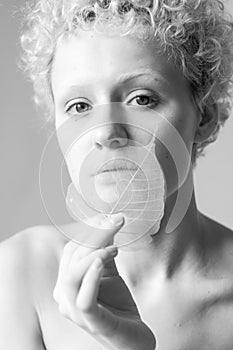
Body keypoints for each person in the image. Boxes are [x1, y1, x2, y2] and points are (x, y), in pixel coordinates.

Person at [1, 0, 233, 349]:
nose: (105, 132)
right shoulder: (19, 273)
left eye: (142, 99)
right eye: (79, 106)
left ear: (204, 118)